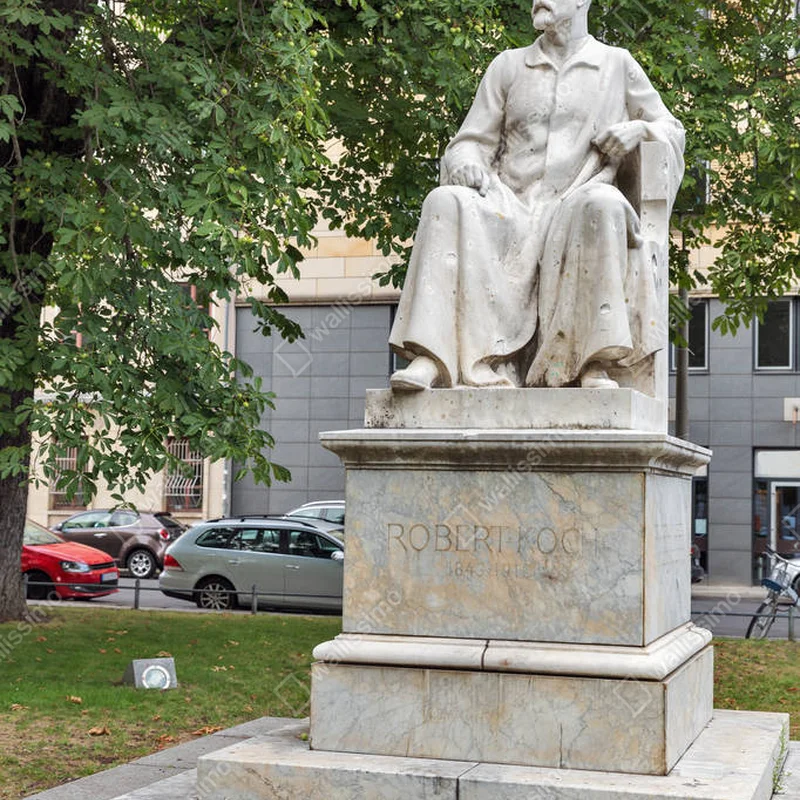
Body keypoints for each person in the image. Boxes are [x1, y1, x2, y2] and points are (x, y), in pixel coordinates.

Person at [389, 0, 685, 391]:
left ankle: (589, 364)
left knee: (603, 204)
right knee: (444, 201)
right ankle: (433, 357)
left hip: (577, 203)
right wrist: (467, 162)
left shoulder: (616, 64)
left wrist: (640, 130)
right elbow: (468, 142)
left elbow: (670, 129)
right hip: (507, 206)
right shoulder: (508, 65)